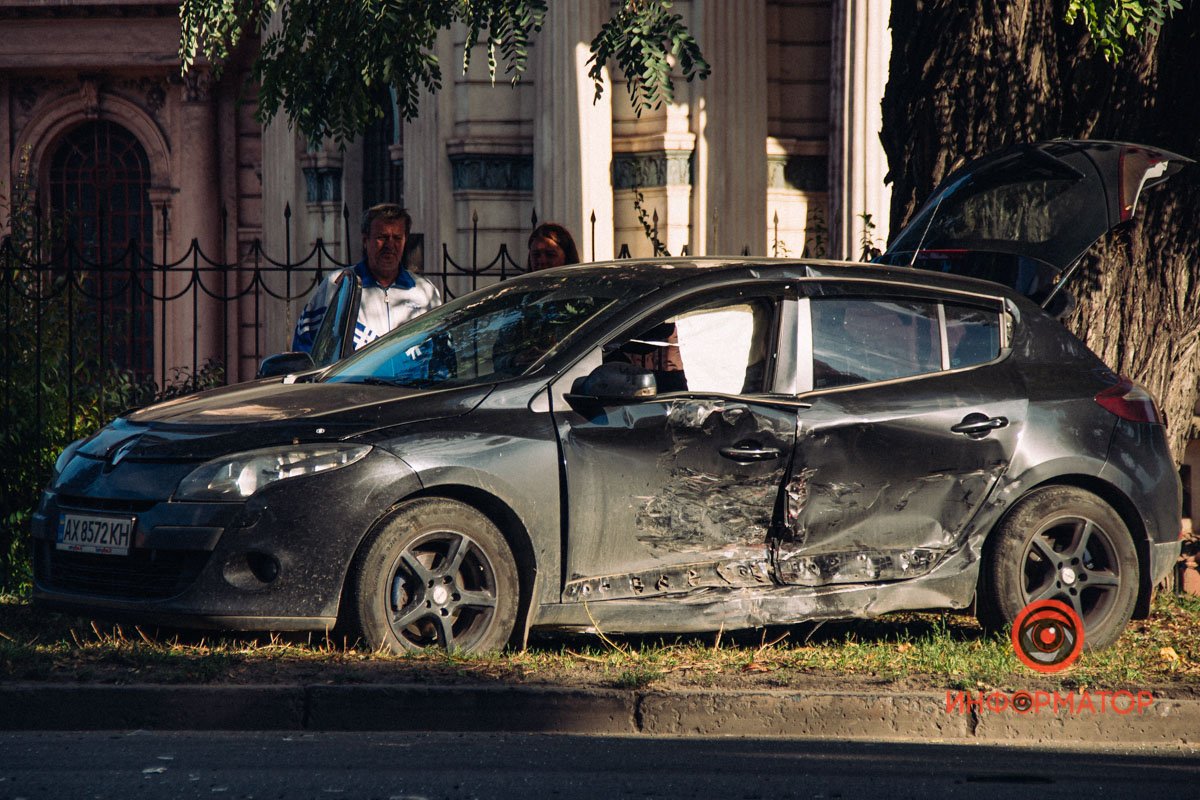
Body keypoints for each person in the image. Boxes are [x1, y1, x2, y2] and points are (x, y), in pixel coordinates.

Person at [292, 203, 441, 353]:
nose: (390, 245)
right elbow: (306, 346)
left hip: (410, 377)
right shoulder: (339, 285)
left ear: (405, 241)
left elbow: (439, 350)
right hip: (354, 377)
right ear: (365, 240)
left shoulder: (424, 291)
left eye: (397, 238)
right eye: (382, 237)